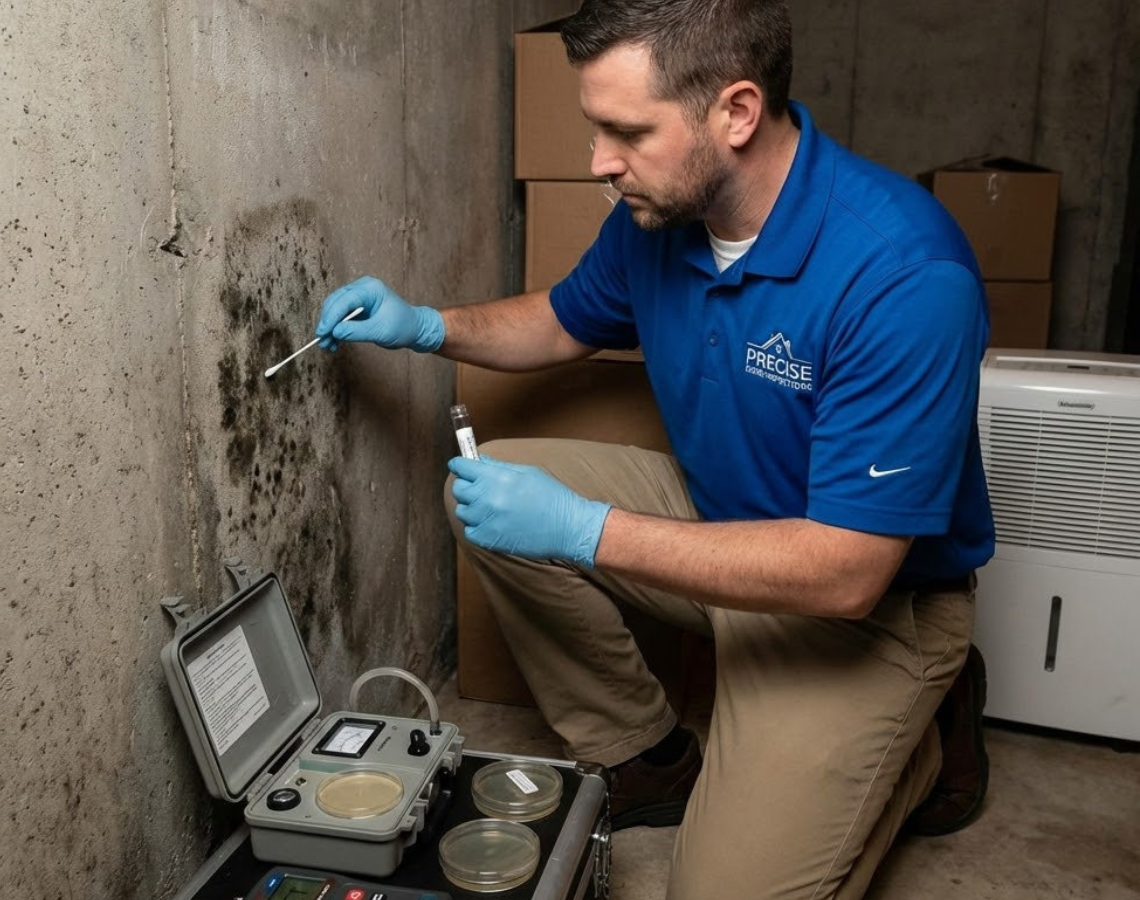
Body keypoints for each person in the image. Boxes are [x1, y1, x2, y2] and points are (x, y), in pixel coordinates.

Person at [314, 0, 994, 897]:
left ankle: (919, 737)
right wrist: (425, 325)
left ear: (737, 113)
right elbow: (560, 320)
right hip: (722, 522)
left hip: (865, 608)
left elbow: (847, 570)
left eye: (626, 131)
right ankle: (647, 752)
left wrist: (586, 529)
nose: (599, 161)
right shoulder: (665, 213)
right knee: (485, 495)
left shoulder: (903, 275)